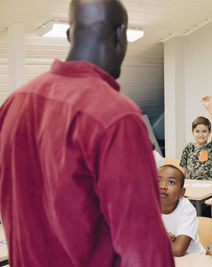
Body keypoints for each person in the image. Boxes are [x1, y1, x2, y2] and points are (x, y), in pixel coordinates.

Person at [0, 0, 174, 266]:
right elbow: (145, 251)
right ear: (120, 35)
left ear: (69, 35)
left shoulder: (13, 104)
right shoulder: (117, 117)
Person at [158, 164, 206, 256]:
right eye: (158, 181)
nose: (163, 186)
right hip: (163, 257)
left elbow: (178, 250)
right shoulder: (146, 207)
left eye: (171, 182)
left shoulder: (186, 208)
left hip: (192, 259)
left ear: (182, 192)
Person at [180, 96, 212, 180]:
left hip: (209, 186)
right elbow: (183, 169)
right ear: (192, 132)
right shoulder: (189, 148)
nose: (201, 135)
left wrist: (209, 108)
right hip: (191, 186)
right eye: (197, 131)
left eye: (204, 131)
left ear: (209, 132)